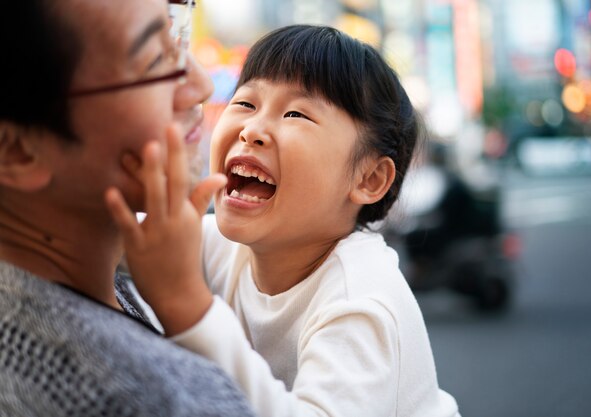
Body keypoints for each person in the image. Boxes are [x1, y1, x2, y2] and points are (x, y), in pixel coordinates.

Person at [111, 25, 461, 417]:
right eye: (245, 103)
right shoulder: (224, 250)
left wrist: (187, 307)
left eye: (295, 113)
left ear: (369, 179)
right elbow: (121, 240)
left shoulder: (360, 302)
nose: (252, 130)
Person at [0, 1, 255, 416]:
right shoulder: (146, 398)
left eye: (177, 37)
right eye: (156, 61)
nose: (200, 85)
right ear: (17, 151)